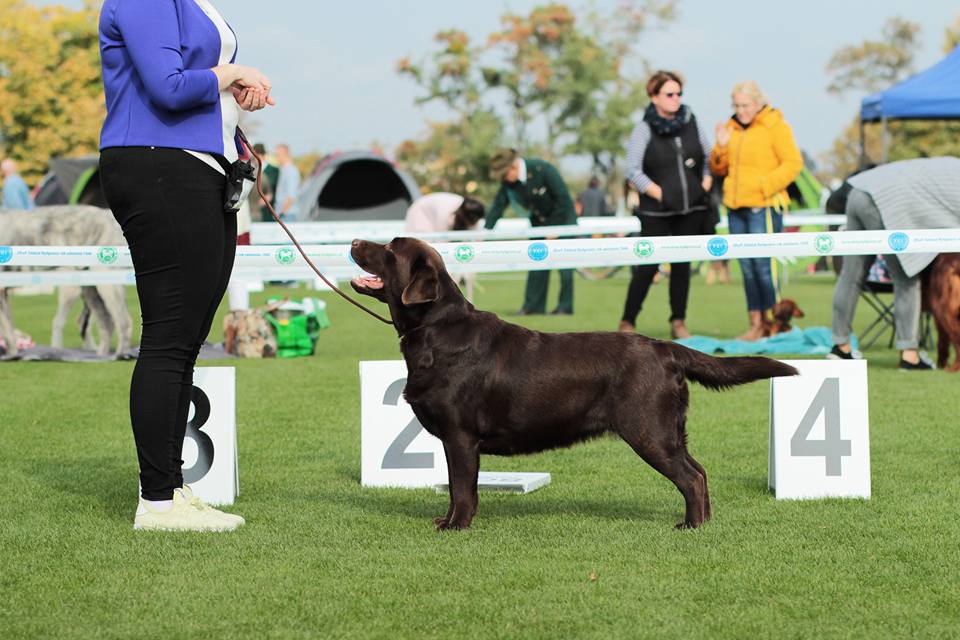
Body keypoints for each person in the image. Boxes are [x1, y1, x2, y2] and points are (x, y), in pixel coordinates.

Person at [98, 0, 274, 531]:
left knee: (185, 339)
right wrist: (235, 72)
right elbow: (168, 86)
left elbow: (190, 82)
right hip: (158, 164)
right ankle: (156, 501)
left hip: (199, 164)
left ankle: (170, 489)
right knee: (170, 338)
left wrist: (233, 108)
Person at [830, 157, 960, 370]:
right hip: (887, 201)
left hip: (858, 191)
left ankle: (840, 346)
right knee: (907, 277)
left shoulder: (951, 166)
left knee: (851, 276)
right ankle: (909, 356)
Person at [619, 70, 713, 339]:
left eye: (679, 93)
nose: (676, 99)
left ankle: (678, 321)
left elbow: (708, 156)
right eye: (669, 94)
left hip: (690, 209)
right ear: (654, 96)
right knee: (647, 266)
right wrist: (657, 192)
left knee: (682, 267)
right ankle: (628, 320)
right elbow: (632, 169)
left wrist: (705, 182)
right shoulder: (643, 129)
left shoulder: (691, 123)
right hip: (656, 210)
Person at [710, 80, 802, 341]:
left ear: (759, 102)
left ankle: (776, 326)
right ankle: (756, 324)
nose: (741, 111)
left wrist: (765, 186)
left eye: (746, 105)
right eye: (737, 106)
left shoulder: (775, 126)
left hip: (764, 206)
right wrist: (721, 147)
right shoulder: (731, 128)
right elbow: (718, 168)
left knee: (764, 267)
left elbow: (793, 163)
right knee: (747, 268)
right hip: (736, 206)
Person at [485, 148, 577, 315]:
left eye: (505, 174)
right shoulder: (508, 183)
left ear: (513, 166)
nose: (505, 179)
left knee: (565, 267)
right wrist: (484, 233)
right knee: (536, 263)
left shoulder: (543, 169)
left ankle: (565, 307)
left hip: (563, 221)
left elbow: (562, 199)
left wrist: (555, 229)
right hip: (539, 223)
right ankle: (533, 307)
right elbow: (498, 207)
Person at [404, 192, 485, 234]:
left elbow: (476, 232)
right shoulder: (445, 214)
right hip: (421, 210)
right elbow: (441, 238)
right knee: (425, 242)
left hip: (435, 210)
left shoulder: (471, 210)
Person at [274, 143, 301, 221]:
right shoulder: (284, 170)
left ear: (285, 154)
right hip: (284, 214)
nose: (277, 158)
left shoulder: (291, 171)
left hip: (287, 215)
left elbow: (291, 197)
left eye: (278, 155)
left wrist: (280, 213)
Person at [253, 142, 279, 221]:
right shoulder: (253, 169)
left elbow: (272, 186)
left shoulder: (273, 170)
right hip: (254, 208)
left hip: (268, 207)